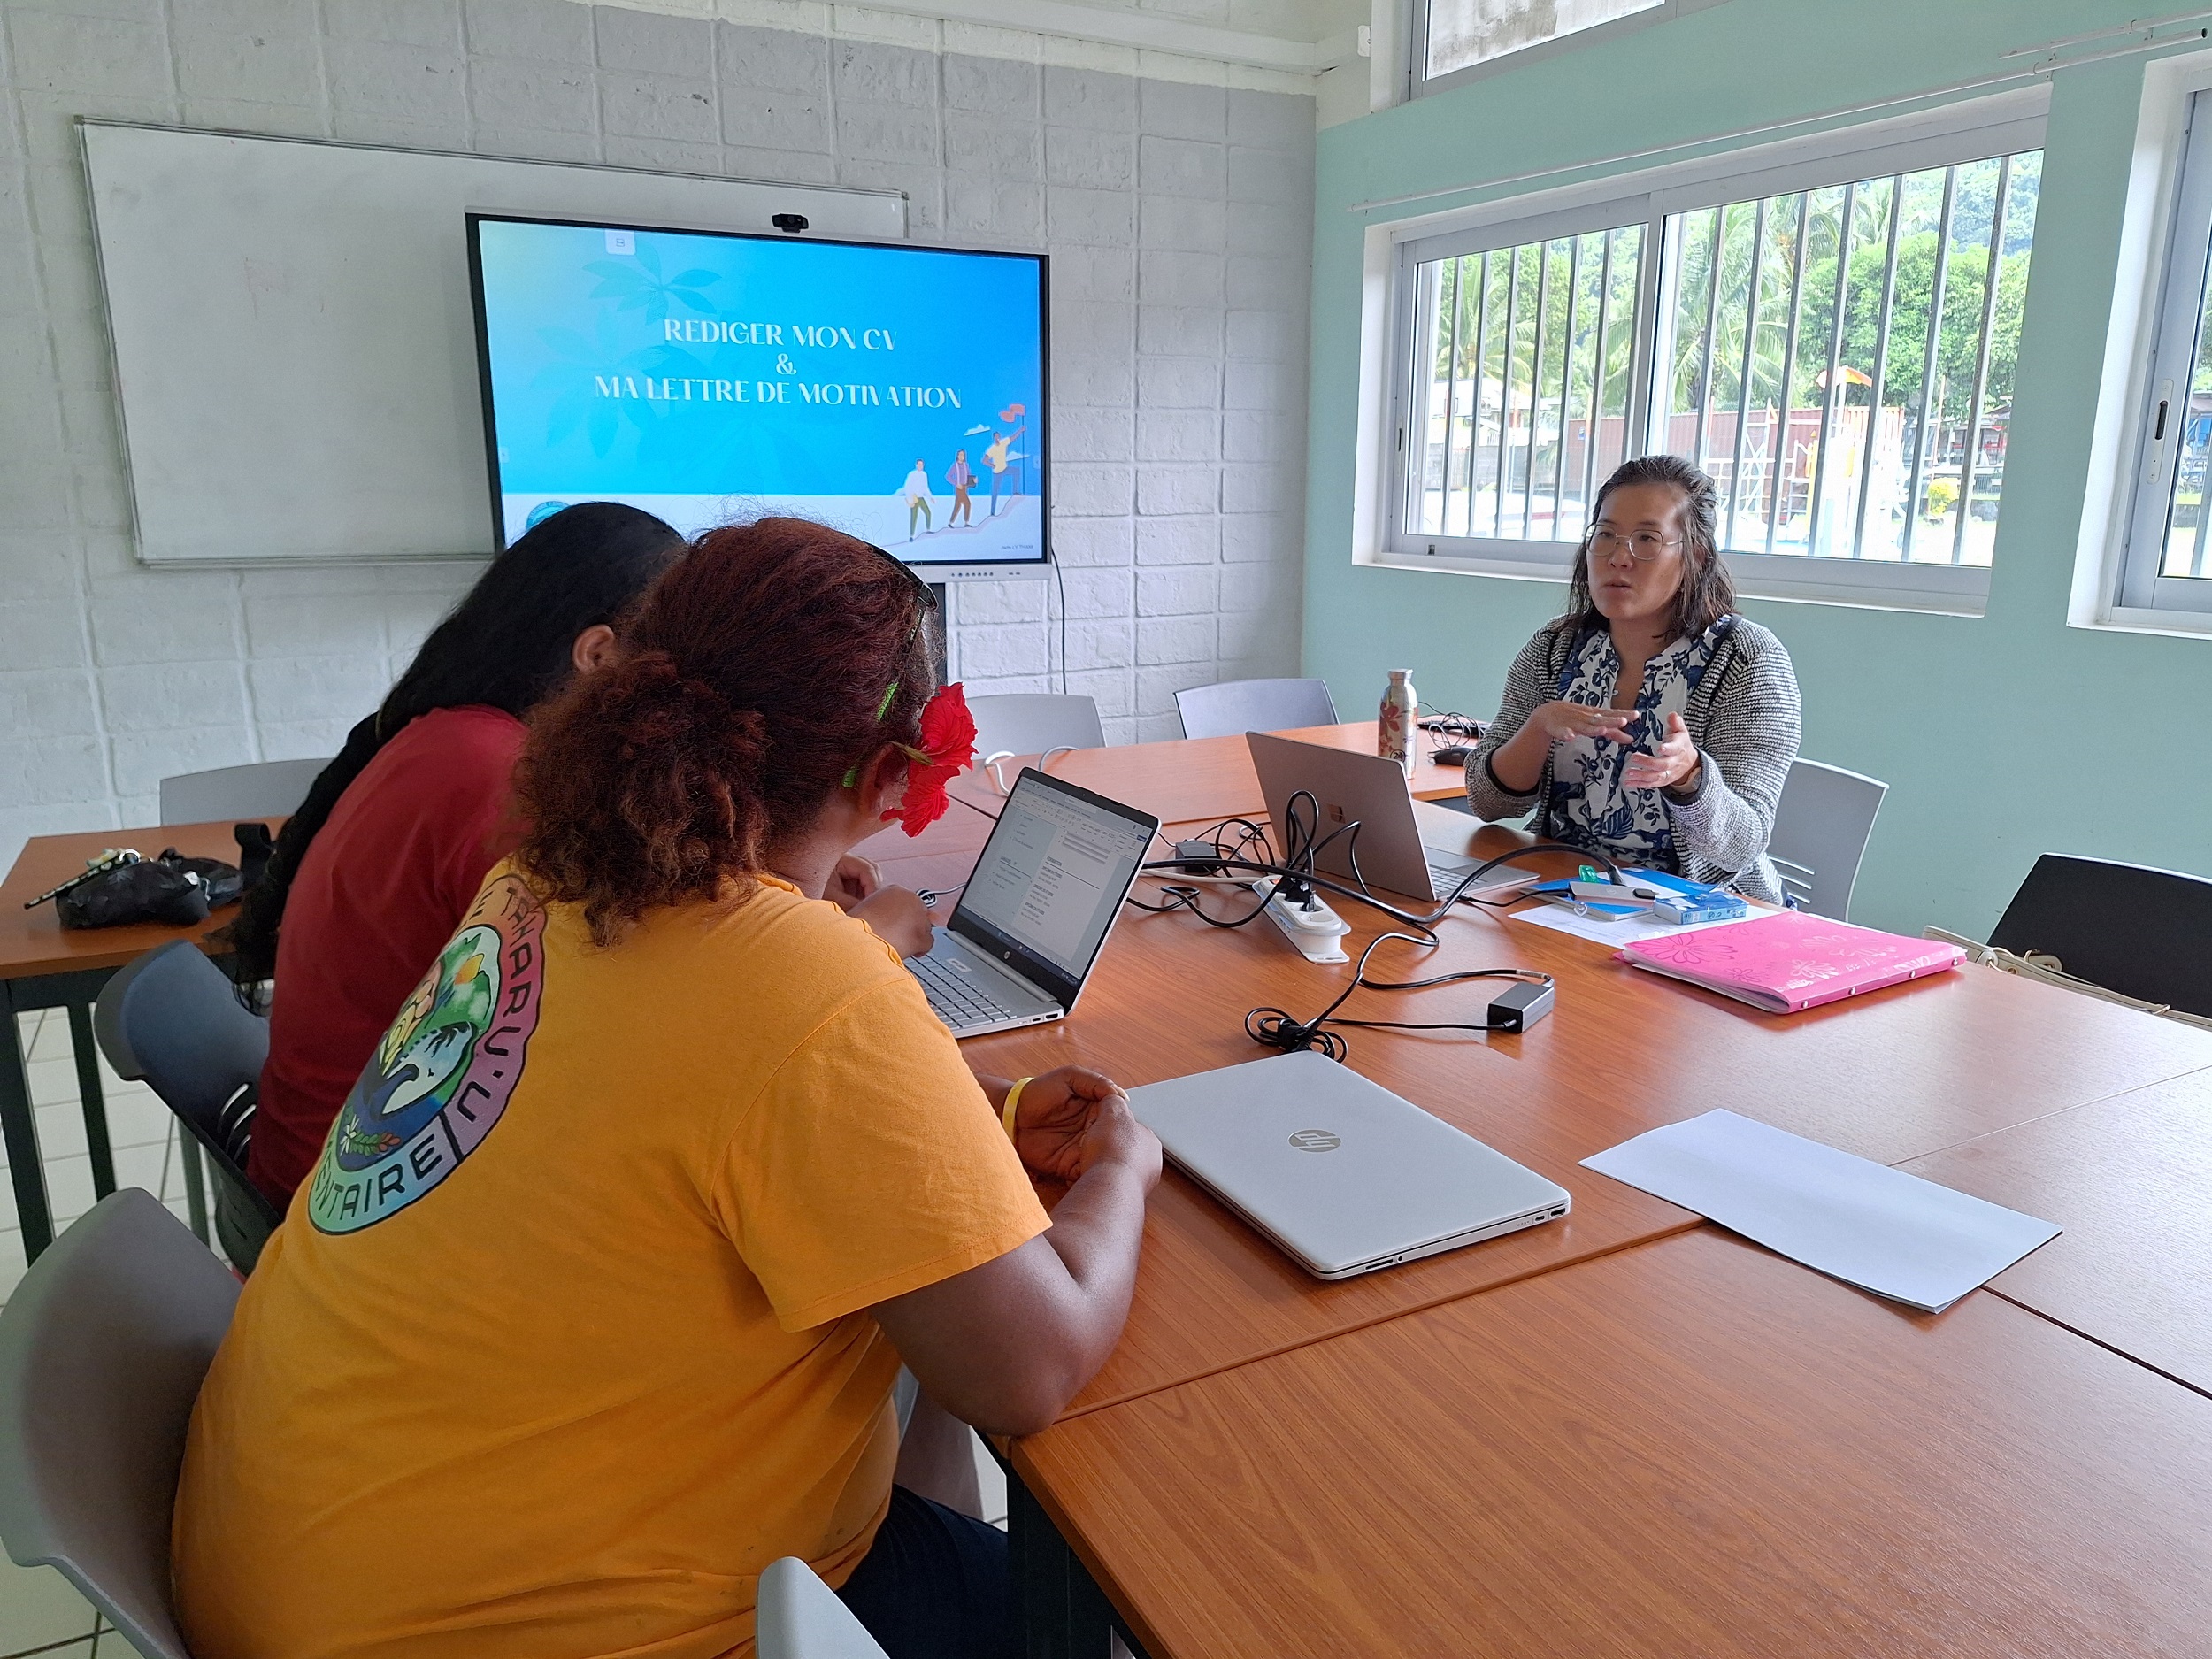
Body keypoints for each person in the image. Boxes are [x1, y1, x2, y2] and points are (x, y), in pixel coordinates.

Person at [172, 518, 1164, 1659]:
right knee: (1113, 1614)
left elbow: (666, 1122)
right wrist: (1122, 1170)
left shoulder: (540, 882)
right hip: (488, 1626)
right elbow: (1027, 1371)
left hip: (303, 1570)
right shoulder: (808, 983)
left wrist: (972, 1128)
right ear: (895, 780)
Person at [230, 503, 924, 1214]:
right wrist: (866, 941)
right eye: (668, 667)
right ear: (597, 655)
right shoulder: (505, 780)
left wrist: (779, 877)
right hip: (367, 1187)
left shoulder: (458, 737)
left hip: (357, 1162)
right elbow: (659, 1017)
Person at [1464, 455, 1801, 902]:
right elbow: (1489, 803)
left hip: (1700, 909)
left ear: (1696, 556)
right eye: (1605, 536)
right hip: (1569, 893)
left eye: (1647, 539)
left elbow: (1742, 845)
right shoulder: (1556, 646)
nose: (1619, 558)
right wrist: (1538, 727)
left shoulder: (1746, 659)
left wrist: (1690, 777)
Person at [902, 459, 933, 539]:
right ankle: (911, 535)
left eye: (922, 464)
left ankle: (928, 529)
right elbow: (907, 487)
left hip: (921, 498)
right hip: (913, 498)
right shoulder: (912, 474)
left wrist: (930, 497)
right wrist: (910, 499)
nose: (920, 466)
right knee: (914, 517)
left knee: (928, 513)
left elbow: (925, 487)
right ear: (916, 465)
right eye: (919, 464)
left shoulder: (924, 475)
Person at [945, 449, 974, 526]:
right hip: (959, 488)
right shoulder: (955, 466)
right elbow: (948, 476)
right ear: (957, 456)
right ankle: (966, 522)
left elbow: (968, 476)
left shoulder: (966, 465)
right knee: (967, 503)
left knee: (958, 505)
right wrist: (956, 483)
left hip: (965, 487)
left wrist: (973, 481)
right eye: (960, 455)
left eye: (963, 455)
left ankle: (951, 522)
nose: (961, 456)